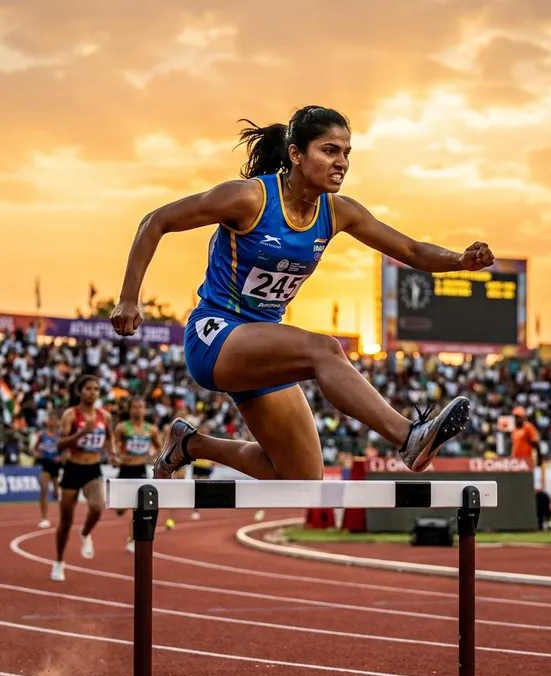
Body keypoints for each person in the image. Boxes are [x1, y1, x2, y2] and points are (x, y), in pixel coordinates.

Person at [110, 106, 494, 480]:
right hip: (216, 335)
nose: (341, 162)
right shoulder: (249, 199)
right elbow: (156, 220)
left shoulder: (338, 211)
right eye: (329, 151)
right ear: (295, 154)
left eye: (346, 153)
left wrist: (460, 260)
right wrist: (129, 298)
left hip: (266, 349)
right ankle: (409, 436)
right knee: (323, 349)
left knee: (301, 477)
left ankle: (191, 445)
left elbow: (410, 251)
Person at [51, 375, 117, 582]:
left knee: (97, 507)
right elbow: (60, 444)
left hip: (93, 468)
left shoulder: (104, 416)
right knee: (65, 521)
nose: (93, 392)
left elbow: (109, 438)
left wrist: (112, 454)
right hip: (72, 468)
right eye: (88, 388)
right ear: (80, 392)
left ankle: (85, 532)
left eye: (96, 389)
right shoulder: (71, 414)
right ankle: (59, 562)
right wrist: (80, 434)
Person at [113, 395, 162, 552]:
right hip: (125, 470)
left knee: (138, 507)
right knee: (120, 510)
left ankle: (131, 539)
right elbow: (113, 447)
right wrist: (116, 458)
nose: (138, 410)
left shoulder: (151, 429)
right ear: (130, 409)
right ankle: (123, 506)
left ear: (145, 409)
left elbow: (161, 448)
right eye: (135, 407)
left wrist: (156, 457)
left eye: (141, 407)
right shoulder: (122, 427)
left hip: (140, 471)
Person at [33, 412, 63, 529]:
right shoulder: (42, 435)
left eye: (55, 421)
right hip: (46, 464)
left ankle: (62, 516)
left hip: (56, 466)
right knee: (44, 489)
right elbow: (34, 448)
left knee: (56, 494)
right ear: (48, 421)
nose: (53, 423)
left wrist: (60, 458)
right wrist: (37, 454)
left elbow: (67, 452)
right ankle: (44, 517)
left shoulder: (60, 435)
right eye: (51, 420)